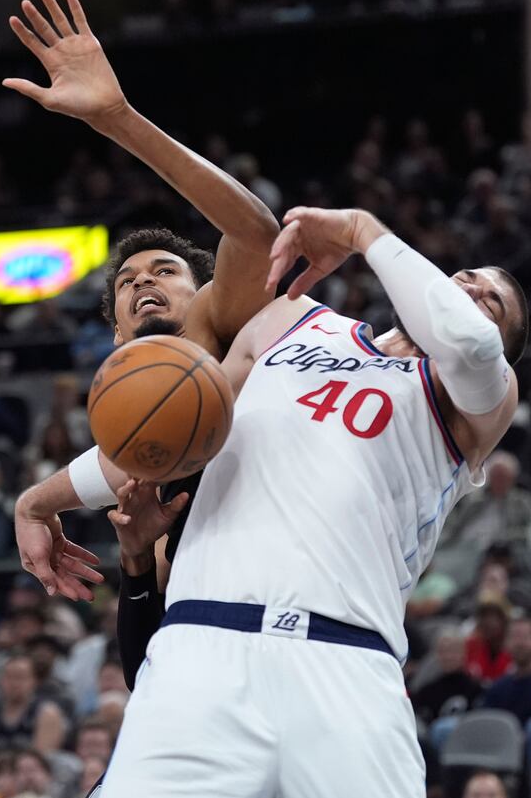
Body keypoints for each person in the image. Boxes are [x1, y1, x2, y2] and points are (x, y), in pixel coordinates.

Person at [95, 203, 526, 798]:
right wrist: (42, 501)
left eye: (491, 301)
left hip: (347, 658)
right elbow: (158, 422)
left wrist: (361, 231)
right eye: (462, 282)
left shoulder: (483, 397)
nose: (469, 294)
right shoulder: (301, 322)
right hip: (207, 639)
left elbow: (471, 343)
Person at [8, 0, 278, 602]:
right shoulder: (144, 428)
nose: (142, 282)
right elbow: (136, 450)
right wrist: (34, 502)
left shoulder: (225, 323)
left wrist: (115, 119)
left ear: (205, 291)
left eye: (164, 272)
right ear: (115, 337)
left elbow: (256, 233)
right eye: (128, 281)